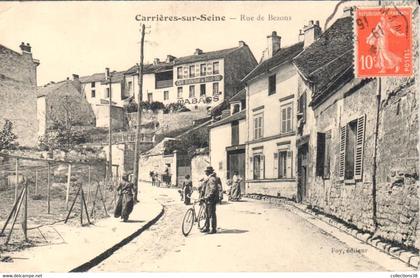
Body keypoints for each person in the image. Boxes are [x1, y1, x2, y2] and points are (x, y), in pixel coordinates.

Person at [201, 166, 218, 234]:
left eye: (206, 171)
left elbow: (213, 190)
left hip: (211, 199)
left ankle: (213, 229)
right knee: (207, 214)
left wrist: (207, 196)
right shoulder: (209, 178)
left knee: (211, 214)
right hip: (208, 199)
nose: (205, 172)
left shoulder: (212, 179)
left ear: (209, 172)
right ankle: (207, 227)